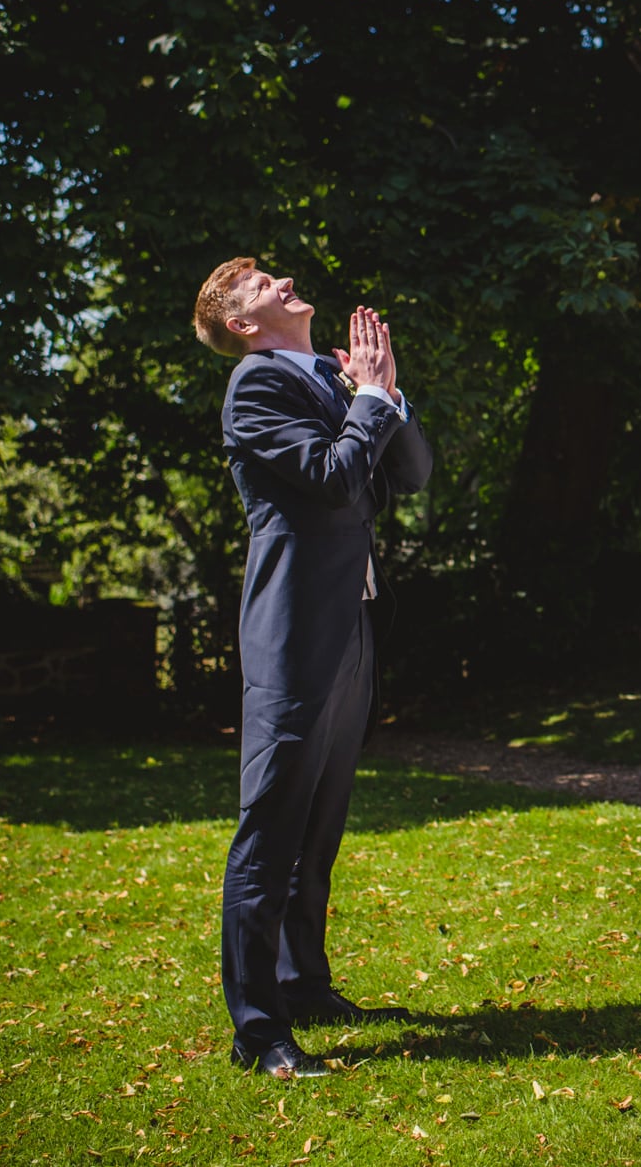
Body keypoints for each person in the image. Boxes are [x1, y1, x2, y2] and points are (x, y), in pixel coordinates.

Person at [193, 257, 433, 1079]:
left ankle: (304, 982)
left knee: (320, 826)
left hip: (352, 629)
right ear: (242, 323)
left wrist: (386, 392)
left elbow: (410, 473)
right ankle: (258, 1029)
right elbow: (334, 480)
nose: (282, 278)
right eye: (260, 281)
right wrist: (365, 400)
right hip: (293, 636)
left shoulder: (335, 380)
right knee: (271, 829)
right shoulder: (256, 386)